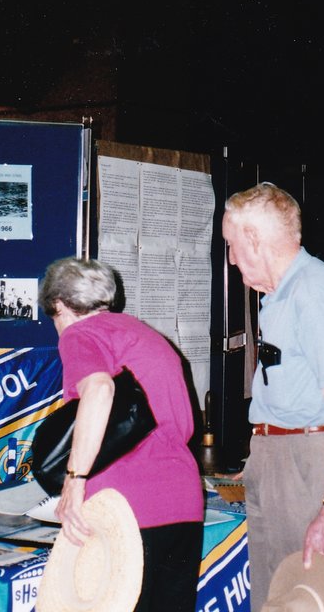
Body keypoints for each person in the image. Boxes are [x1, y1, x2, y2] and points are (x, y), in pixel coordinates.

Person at [222, 182, 324, 610]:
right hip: (280, 458)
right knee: (273, 603)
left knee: (303, 602)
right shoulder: (280, 295)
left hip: (311, 466)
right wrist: (261, 460)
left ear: (253, 239)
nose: (230, 258)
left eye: (232, 244)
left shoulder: (312, 292)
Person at [38, 257, 204, 612]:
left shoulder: (80, 334)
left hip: (126, 509)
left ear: (60, 305)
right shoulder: (143, 335)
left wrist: (75, 477)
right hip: (182, 501)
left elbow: (99, 391)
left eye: (54, 316)